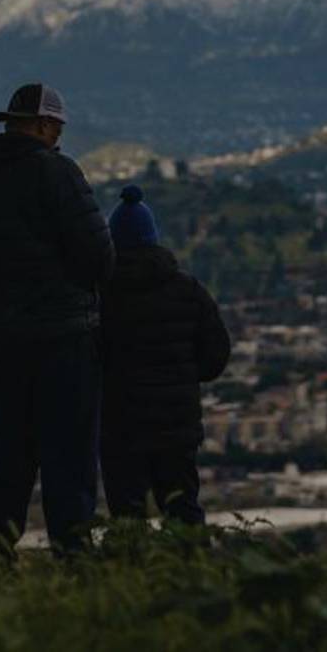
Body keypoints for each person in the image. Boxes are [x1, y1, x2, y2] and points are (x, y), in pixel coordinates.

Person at [0, 83, 115, 558]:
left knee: (7, 447)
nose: (58, 138)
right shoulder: (56, 173)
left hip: (1, 336)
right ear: (43, 125)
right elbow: (98, 255)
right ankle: (74, 555)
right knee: (69, 451)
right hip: (64, 335)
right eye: (56, 129)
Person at [99, 184, 230, 525]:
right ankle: (191, 574)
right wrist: (183, 375)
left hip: (120, 425)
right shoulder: (187, 290)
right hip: (177, 426)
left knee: (127, 518)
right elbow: (216, 355)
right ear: (153, 236)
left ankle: (135, 575)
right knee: (183, 509)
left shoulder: (100, 295)